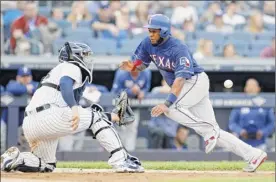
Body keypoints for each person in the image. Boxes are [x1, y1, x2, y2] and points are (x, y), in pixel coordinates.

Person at [119, 14, 267, 172]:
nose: (151, 33)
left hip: (195, 81)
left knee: (171, 109)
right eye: (149, 30)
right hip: (186, 87)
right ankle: (253, 155)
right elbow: (140, 65)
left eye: (154, 31)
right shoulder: (147, 43)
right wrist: (132, 66)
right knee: (216, 133)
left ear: (164, 32)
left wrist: (167, 103)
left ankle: (208, 131)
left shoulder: (178, 47)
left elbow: (180, 80)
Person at [1, 42, 144, 173]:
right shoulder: (72, 66)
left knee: (46, 165)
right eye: (85, 55)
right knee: (96, 117)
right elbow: (65, 84)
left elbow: (82, 114)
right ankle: (121, 160)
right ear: (75, 56)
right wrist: (74, 107)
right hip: (49, 115)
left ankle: (16, 158)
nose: (88, 59)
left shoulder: (56, 72)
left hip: (32, 123)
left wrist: (112, 116)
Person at [229, 78, 274, 151]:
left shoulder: (266, 103)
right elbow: (232, 123)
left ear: (258, 88)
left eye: (253, 85)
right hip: (242, 143)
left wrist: (263, 132)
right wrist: (240, 131)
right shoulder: (239, 104)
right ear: (245, 88)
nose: (251, 88)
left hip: (261, 144)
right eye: (248, 85)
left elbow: (272, 123)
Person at [111, 69, 151, 151]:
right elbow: (115, 90)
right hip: (121, 104)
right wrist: (130, 91)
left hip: (134, 106)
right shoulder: (121, 73)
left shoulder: (146, 73)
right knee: (121, 129)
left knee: (132, 129)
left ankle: (130, 152)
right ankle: (120, 151)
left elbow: (147, 87)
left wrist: (143, 92)